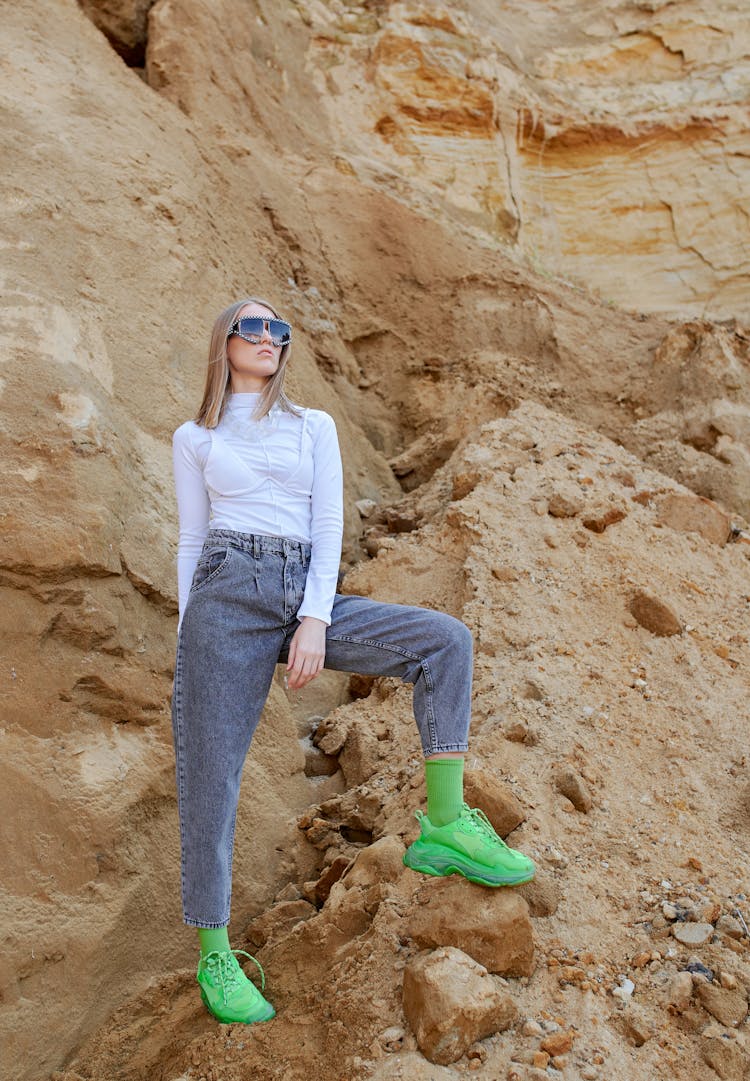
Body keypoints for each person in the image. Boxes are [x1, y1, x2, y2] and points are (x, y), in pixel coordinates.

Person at [171, 297, 535, 1024]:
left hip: (303, 586)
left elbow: (329, 522)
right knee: (210, 775)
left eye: (280, 329)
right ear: (225, 341)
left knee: (445, 642)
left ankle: (442, 825)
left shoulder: (313, 426)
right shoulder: (196, 436)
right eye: (254, 327)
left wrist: (314, 617)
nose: (269, 337)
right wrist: (194, 641)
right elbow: (191, 540)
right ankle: (214, 953)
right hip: (224, 598)